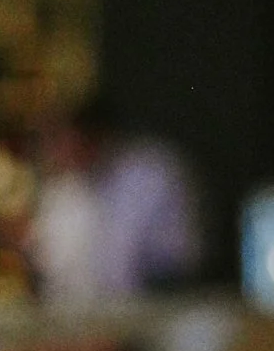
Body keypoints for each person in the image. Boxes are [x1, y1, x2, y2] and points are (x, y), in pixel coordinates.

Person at [25, 99, 201, 302]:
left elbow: (178, 261)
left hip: (153, 316)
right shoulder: (61, 191)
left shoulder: (153, 173)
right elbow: (52, 271)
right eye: (50, 141)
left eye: (61, 138)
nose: (54, 151)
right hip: (80, 323)